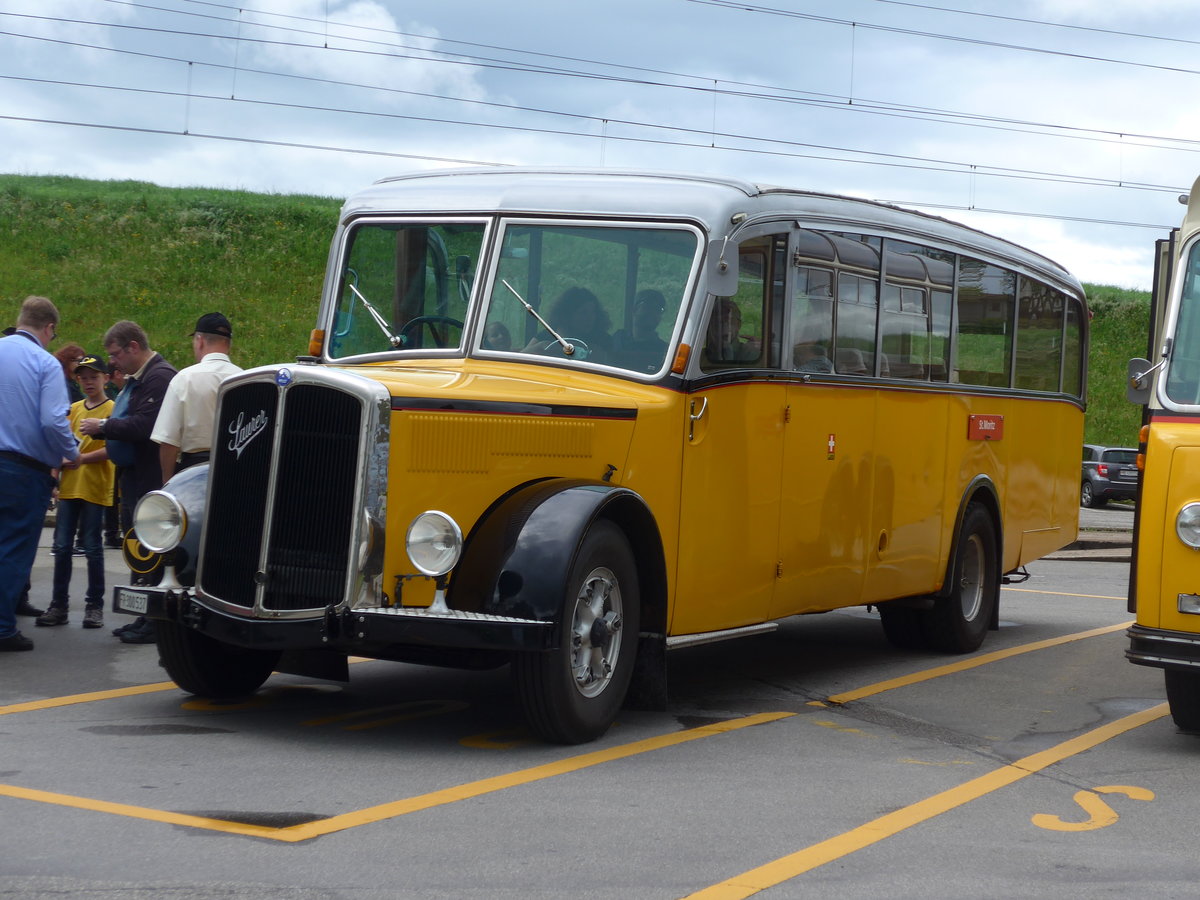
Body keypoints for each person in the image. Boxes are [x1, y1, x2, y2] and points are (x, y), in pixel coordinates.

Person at [79, 320, 177, 645]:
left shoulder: (159, 377)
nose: (113, 363)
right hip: (135, 478)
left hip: (150, 480)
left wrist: (105, 426)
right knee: (137, 549)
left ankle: (153, 622)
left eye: (115, 354)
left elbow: (145, 426)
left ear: (133, 347)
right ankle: (141, 616)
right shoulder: (142, 378)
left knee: (149, 551)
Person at [0, 297, 82, 651]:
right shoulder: (44, 363)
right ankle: (3, 628)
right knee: (13, 550)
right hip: (22, 470)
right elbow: (52, 420)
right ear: (49, 328)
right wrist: (72, 451)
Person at [37, 356, 115, 629]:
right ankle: (59, 605)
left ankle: (94, 606)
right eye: (83, 377)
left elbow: (113, 450)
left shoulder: (112, 410)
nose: (88, 382)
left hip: (94, 488)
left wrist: (82, 459)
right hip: (70, 489)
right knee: (61, 547)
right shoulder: (73, 409)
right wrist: (55, 476)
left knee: (93, 547)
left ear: (105, 378)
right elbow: (60, 446)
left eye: (93, 377)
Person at [152, 312, 242, 480]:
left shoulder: (184, 379)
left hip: (193, 472)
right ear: (228, 345)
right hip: (236, 468)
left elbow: (168, 441)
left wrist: (167, 482)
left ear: (199, 341)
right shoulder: (246, 379)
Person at [704, 297, 761, 364]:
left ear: (738, 324)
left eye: (730, 320)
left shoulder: (752, 354)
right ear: (711, 325)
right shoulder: (699, 357)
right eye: (719, 321)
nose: (725, 325)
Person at [612, 289, 669, 355]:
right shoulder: (618, 339)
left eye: (658, 309)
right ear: (634, 309)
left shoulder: (663, 351)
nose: (652, 312)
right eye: (647, 306)